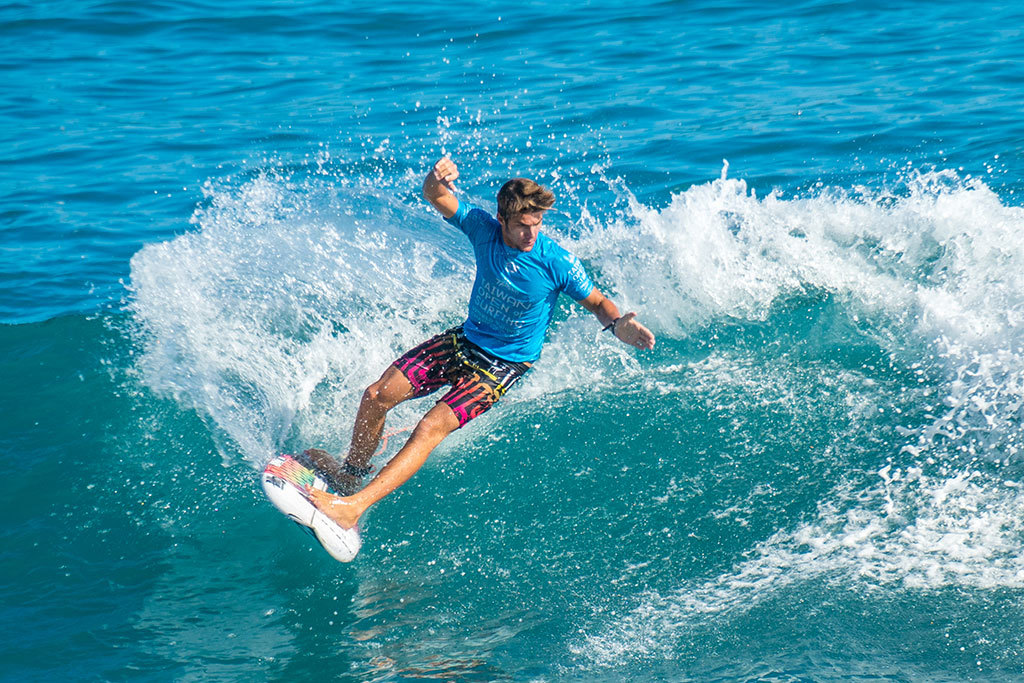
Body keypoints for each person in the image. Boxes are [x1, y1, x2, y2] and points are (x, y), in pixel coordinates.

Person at [305, 157, 655, 531]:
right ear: (502, 220)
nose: (531, 234)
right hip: (465, 339)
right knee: (376, 396)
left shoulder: (558, 262)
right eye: (522, 226)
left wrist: (619, 325)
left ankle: (353, 507)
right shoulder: (481, 228)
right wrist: (435, 178)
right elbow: (434, 195)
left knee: (429, 428)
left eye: (536, 225)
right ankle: (350, 475)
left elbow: (599, 304)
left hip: (503, 365)